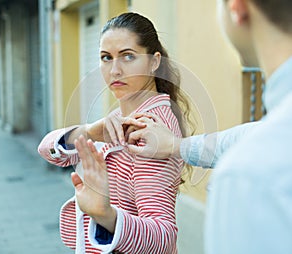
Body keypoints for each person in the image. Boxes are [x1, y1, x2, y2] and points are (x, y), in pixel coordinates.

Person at [122, 1, 292, 253]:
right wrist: (177, 146)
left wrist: (107, 217)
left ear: (237, 7)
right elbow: (252, 135)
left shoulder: (247, 179)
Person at [38, 12, 195, 254]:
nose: (115, 71)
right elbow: (49, 152)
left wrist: (107, 216)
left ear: (155, 62)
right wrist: (89, 131)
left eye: (128, 56)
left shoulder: (148, 130)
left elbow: (163, 236)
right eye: (106, 58)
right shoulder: (121, 119)